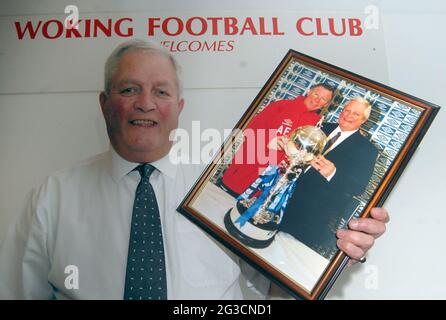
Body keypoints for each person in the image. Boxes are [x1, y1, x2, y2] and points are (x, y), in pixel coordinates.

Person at [0, 40, 389, 299]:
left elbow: (272, 295)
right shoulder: (52, 197)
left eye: (162, 92)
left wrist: (338, 256)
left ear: (179, 109)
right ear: (105, 103)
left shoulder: (221, 192)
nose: (145, 104)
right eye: (128, 89)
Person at [279, 97, 379, 260]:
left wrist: (333, 173)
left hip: (312, 213)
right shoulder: (321, 126)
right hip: (284, 195)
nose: (349, 116)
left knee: (286, 259)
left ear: (364, 120)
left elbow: (358, 187)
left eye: (356, 114)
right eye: (347, 110)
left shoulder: (367, 150)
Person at [221, 83, 334, 196]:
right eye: (316, 94)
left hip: (262, 189)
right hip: (239, 177)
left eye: (323, 99)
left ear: (326, 104)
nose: (317, 100)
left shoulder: (315, 125)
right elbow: (250, 130)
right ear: (309, 92)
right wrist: (267, 142)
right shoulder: (281, 105)